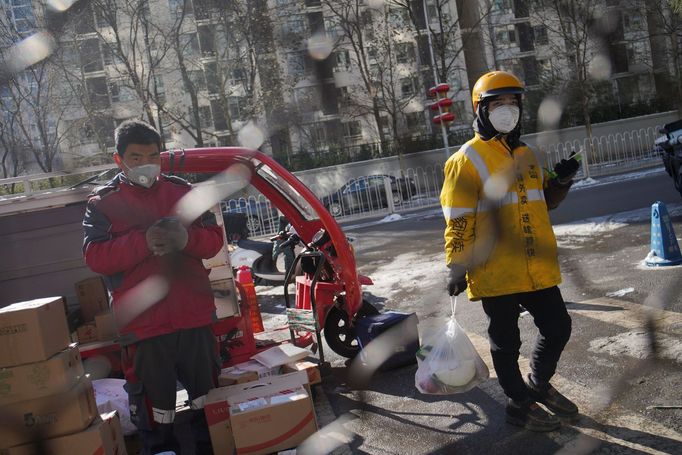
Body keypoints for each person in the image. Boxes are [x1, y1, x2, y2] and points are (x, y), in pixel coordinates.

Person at [440, 71, 580, 432]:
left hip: (535, 265)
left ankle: (538, 384)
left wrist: (561, 181)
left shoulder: (528, 154)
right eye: (498, 104)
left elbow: (545, 201)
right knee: (506, 343)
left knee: (558, 326)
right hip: (494, 269)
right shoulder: (465, 160)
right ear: (480, 109)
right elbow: (457, 221)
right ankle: (519, 403)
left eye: (513, 103)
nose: (508, 110)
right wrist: (456, 265)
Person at [82, 120, 224, 454]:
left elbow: (213, 240)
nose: (146, 163)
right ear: (118, 160)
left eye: (153, 155)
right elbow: (95, 257)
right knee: (157, 413)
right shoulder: (102, 204)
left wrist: (186, 238)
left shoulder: (183, 192)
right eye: (136, 156)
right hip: (144, 329)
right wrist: (144, 241)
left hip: (194, 319)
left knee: (207, 404)